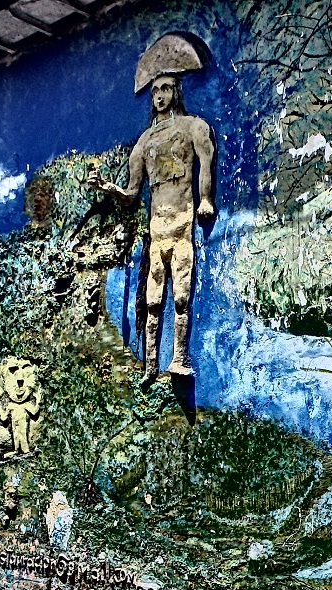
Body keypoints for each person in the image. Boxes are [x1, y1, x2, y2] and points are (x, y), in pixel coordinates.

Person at [90, 73, 216, 383]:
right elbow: (132, 194)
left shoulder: (192, 127)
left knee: (182, 296)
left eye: (165, 88)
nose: (159, 95)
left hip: (183, 223)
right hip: (157, 229)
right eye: (154, 91)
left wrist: (206, 199)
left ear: (176, 90)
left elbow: (206, 160)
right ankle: (149, 365)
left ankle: (180, 356)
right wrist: (109, 187)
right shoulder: (143, 143)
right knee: (153, 300)